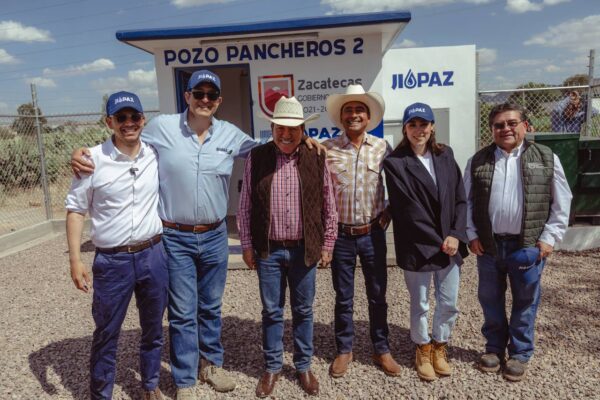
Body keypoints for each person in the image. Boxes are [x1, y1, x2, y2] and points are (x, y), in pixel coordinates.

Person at [71, 70, 322, 400]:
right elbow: (123, 140)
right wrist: (82, 152)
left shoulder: (231, 134)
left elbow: (274, 145)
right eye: (198, 93)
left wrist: (306, 141)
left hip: (215, 235)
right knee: (182, 311)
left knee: (211, 307)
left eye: (211, 95)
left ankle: (211, 365)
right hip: (175, 237)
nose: (205, 99)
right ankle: (185, 378)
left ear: (218, 101)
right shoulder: (161, 128)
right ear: (187, 96)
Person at [66, 91, 167, 400]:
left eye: (134, 116)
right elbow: (76, 210)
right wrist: (75, 260)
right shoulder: (91, 160)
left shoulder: (155, 153)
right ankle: (102, 394)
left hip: (153, 255)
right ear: (109, 122)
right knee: (107, 333)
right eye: (121, 117)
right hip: (113, 262)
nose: (128, 123)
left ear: (143, 119)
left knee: (153, 328)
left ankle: (150, 385)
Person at [237, 96, 338, 398]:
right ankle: (272, 367)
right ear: (272, 128)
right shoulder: (257, 157)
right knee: (271, 311)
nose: (286, 134)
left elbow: (328, 203)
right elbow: (245, 205)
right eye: (280, 127)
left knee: (303, 310)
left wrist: (328, 242)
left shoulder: (316, 156)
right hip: (268, 251)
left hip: (303, 249)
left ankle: (303, 365)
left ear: (303, 130)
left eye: (293, 128)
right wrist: (246, 244)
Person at [464, 102, 572, 381]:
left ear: (525, 125)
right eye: (499, 125)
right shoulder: (478, 161)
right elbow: (467, 201)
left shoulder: (545, 157)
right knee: (490, 300)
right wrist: (471, 234)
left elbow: (562, 201)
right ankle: (493, 349)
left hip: (527, 247)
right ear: (492, 129)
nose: (506, 129)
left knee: (525, 301)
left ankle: (520, 353)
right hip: (488, 247)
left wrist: (549, 238)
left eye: (512, 123)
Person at [383, 102, 469, 381]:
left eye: (424, 124)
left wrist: (456, 233)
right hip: (417, 245)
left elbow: (460, 198)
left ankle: (440, 345)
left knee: (449, 301)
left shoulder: (445, 155)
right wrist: (441, 239)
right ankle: (422, 347)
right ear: (404, 129)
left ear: (432, 127)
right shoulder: (395, 163)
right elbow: (408, 210)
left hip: (450, 243)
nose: (418, 130)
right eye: (413, 125)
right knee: (420, 303)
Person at [322, 84, 401, 378]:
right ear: (341, 117)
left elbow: (400, 185)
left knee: (378, 294)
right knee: (343, 297)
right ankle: (344, 349)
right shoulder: (328, 149)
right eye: (348, 110)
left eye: (359, 110)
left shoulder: (382, 148)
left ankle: (381, 348)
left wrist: (390, 211)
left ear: (368, 118)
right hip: (341, 236)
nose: (354, 115)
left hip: (373, 234)